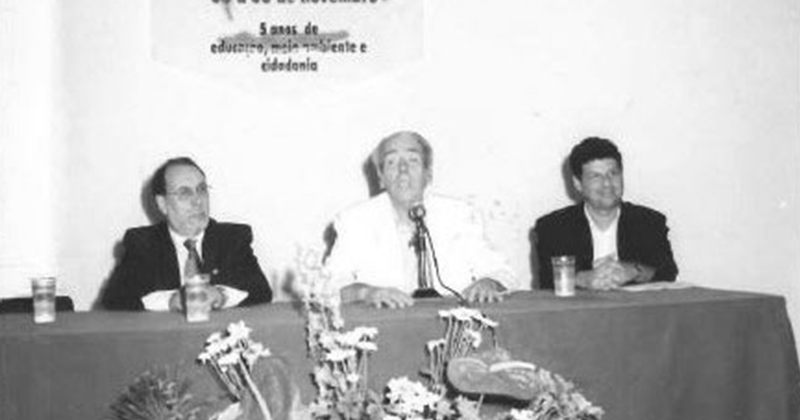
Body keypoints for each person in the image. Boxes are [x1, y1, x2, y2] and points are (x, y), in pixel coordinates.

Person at [325, 131, 515, 308]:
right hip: (385, 325)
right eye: (391, 162)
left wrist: (488, 283)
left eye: (413, 160)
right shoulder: (354, 220)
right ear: (381, 177)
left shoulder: (459, 215)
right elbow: (328, 286)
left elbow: (502, 272)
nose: (403, 169)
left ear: (428, 173)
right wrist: (367, 293)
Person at [102, 157, 272, 311]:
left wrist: (221, 296)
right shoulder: (142, 244)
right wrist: (171, 301)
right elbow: (115, 299)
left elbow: (260, 291)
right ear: (162, 204)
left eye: (202, 189)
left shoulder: (233, 238)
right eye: (184, 193)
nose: (197, 201)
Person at [533, 137, 678, 290]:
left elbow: (668, 273)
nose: (607, 183)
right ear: (578, 183)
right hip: (580, 306)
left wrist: (634, 271)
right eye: (596, 176)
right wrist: (583, 279)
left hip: (635, 306)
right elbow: (547, 281)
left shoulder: (649, 222)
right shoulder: (553, 227)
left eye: (613, 173)